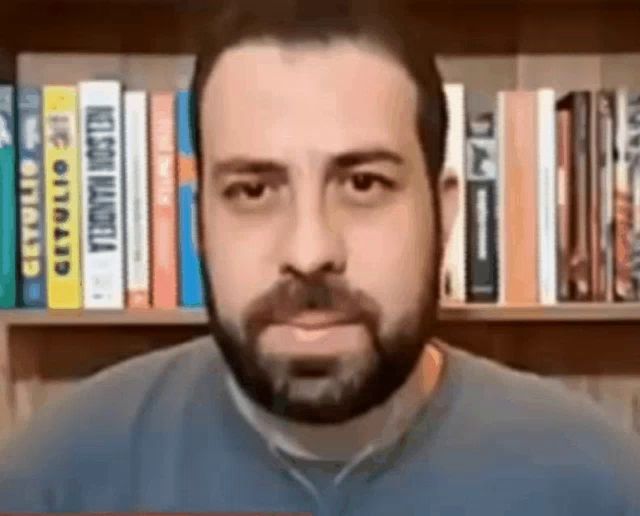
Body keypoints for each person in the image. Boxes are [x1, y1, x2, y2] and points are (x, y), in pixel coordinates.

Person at [1, 1, 640, 514]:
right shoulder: (55, 479)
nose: (309, 252)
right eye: (252, 190)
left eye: (364, 184)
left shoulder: (603, 482)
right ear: (198, 223)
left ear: (446, 215)